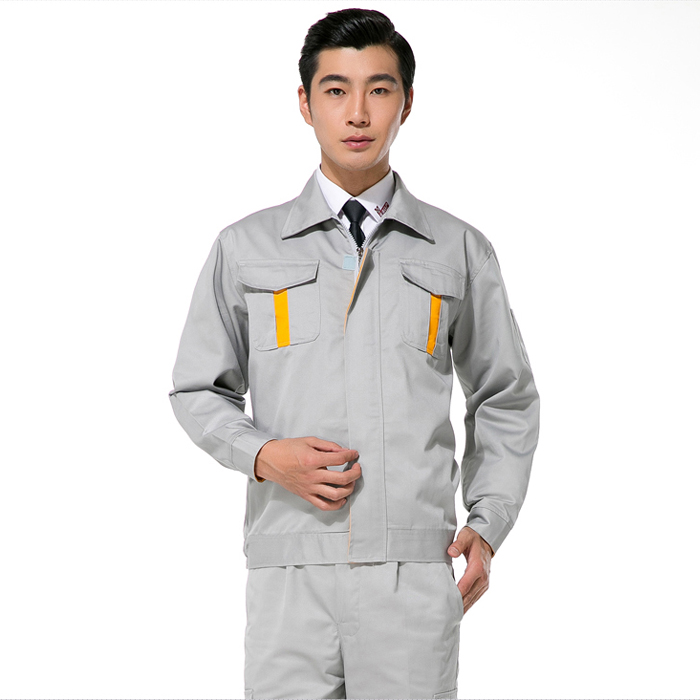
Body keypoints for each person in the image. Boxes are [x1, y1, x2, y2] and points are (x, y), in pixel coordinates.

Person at [168, 7, 540, 699]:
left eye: (380, 89)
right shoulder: (246, 248)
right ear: (305, 103)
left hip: (413, 573)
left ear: (407, 102)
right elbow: (197, 390)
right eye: (336, 90)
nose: (358, 112)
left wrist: (488, 525)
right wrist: (263, 454)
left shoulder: (458, 250)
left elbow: (505, 396)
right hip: (289, 573)